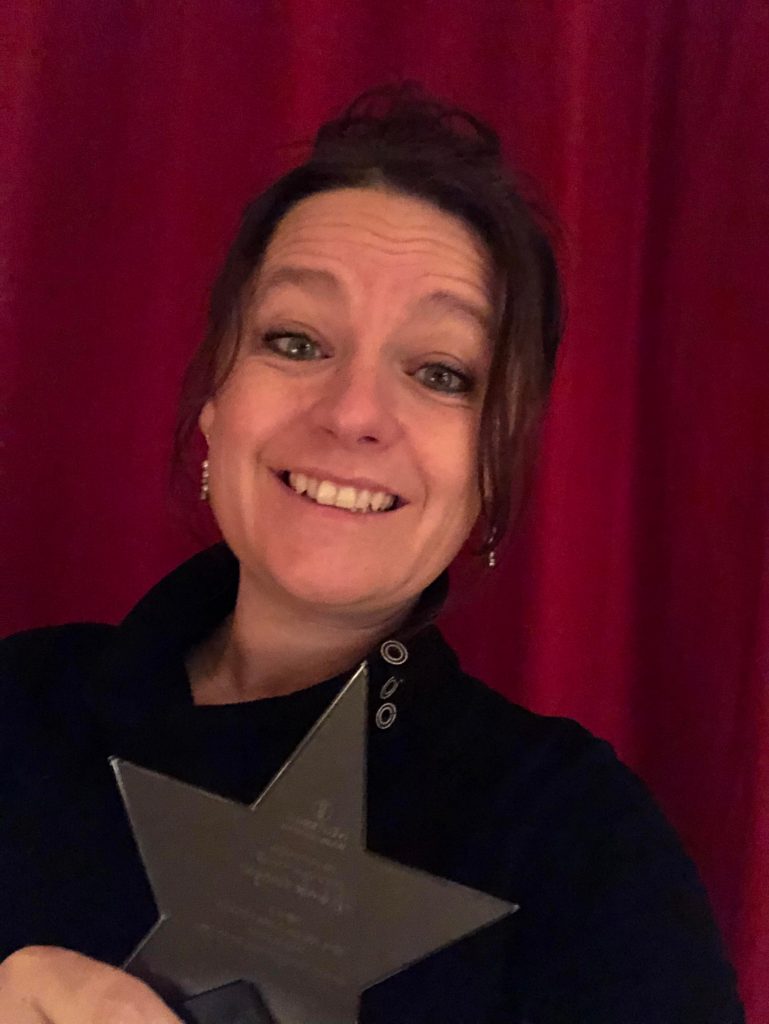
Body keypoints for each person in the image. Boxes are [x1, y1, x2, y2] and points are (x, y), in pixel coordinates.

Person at [0, 84, 744, 1023]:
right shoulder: (17, 705)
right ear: (214, 404)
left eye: (440, 372)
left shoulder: (578, 842)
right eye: (295, 341)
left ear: (493, 470)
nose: (353, 412)